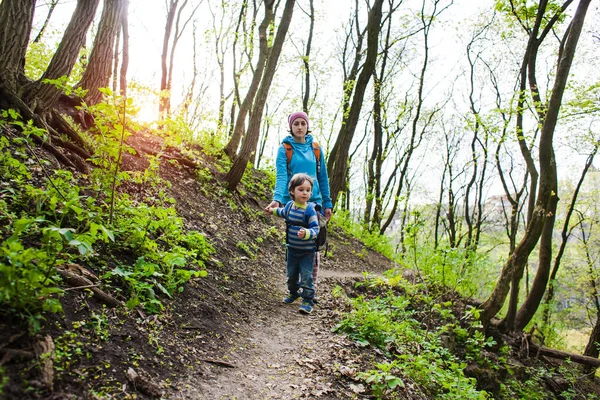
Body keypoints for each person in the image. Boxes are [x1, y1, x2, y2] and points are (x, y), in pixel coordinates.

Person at [265, 111, 333, 289]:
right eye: (296, 124)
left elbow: (323, 177)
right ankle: (294, 283)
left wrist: (328, 203)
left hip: (315, 202)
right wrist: (277, 200)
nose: (300, 127)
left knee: (314, 243)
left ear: (307, 126)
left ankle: (310, 286)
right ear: (291, 127)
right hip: (294, 204)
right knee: (295, 243)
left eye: (303, 123)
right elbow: (281, 177)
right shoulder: (285, 149)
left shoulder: (316, 149)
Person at [266, 173, 320, 314]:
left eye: (308, 190)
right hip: (292, 250)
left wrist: (307, 233)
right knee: (291, 275)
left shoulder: (310, 210)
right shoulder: (290, 206)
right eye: (301, 189)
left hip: (307, 252)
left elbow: (316, 229)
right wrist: (272, 211)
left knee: (307, 276)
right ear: (292, 191)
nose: (305, 193)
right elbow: (282, 212)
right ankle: (293, 292)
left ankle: (308, 299)